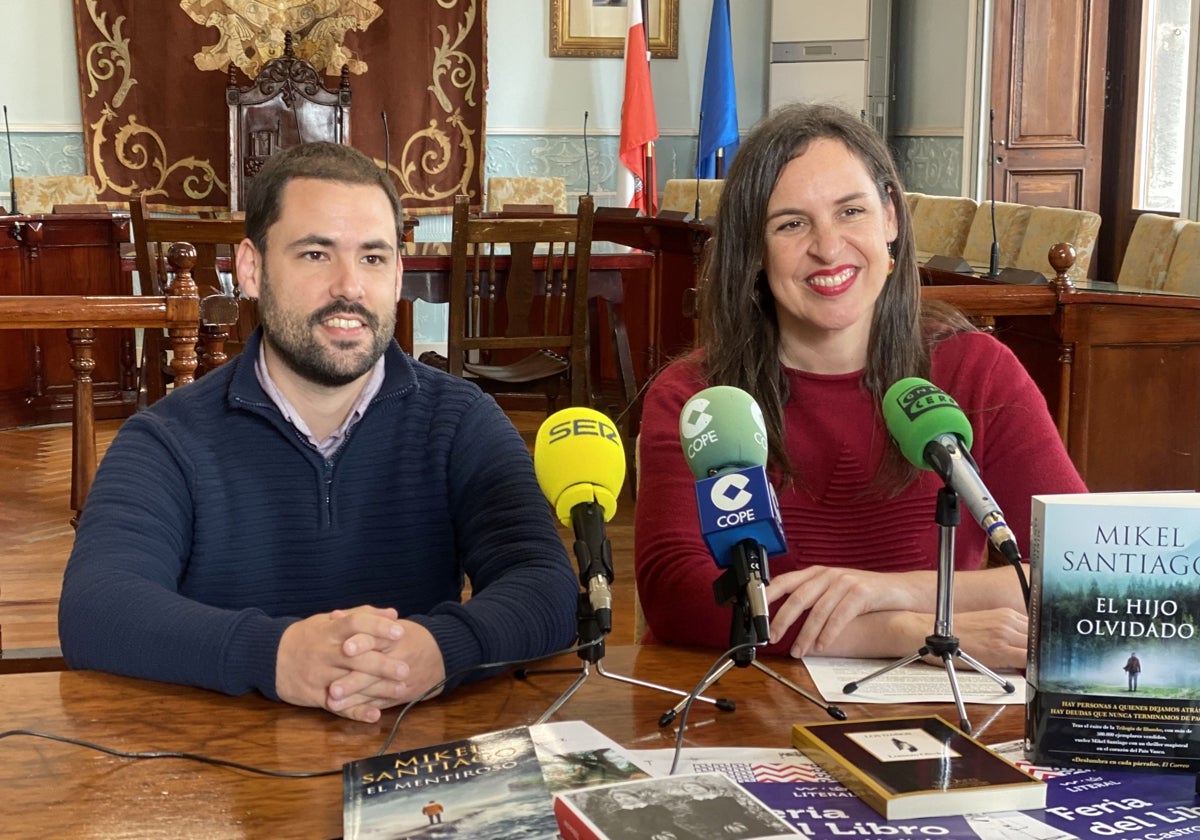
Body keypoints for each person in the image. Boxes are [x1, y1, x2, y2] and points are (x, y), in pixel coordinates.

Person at [59, 142, 578, 722]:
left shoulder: (460, 420)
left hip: (409, 760)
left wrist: (437, 651)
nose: (350, 287)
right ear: (250, 270)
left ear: (399, 273)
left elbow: (546, 586)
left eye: (374, 258)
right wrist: (276, 655)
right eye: (315, 254)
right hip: (224, 774)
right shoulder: (166, 439)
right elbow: (96, 608)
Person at [634, 103, 1086, 670]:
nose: (828, 247)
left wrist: (892, 590)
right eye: (791, 224)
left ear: (890, 218)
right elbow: (681, 596)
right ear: (753, 249)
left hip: (932, 716)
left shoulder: (978, 370)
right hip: (744, 704)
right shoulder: (697, 398)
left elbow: (1078, 573)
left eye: (851, 211)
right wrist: (915, 630)